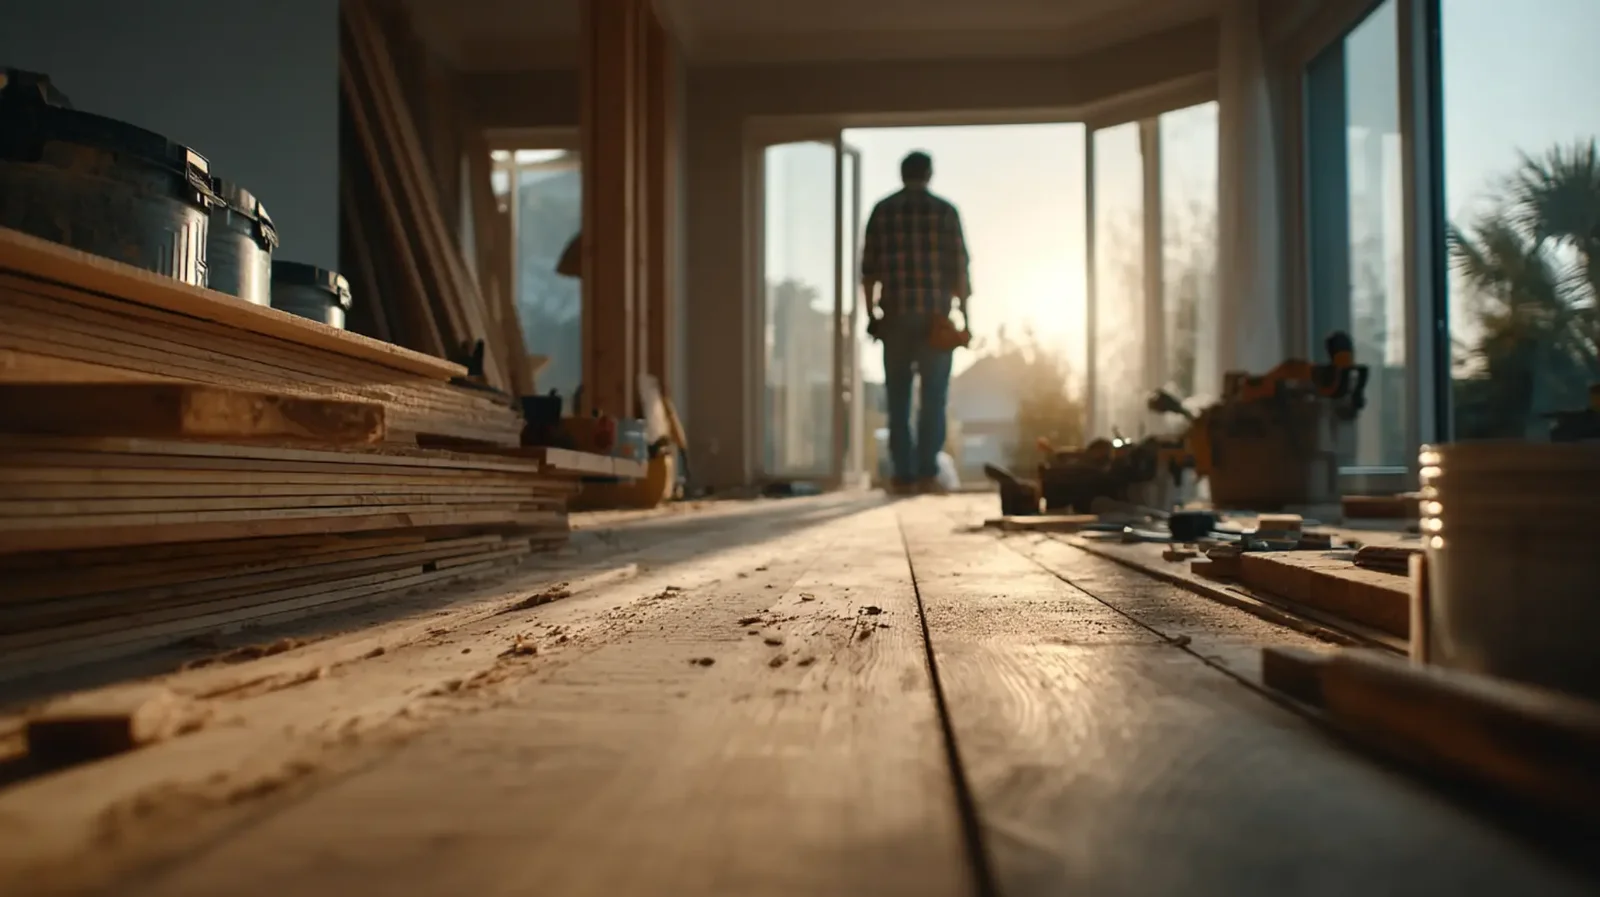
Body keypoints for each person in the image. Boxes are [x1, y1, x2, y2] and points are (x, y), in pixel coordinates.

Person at [861, 150, 972, 495]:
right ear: (929, 174)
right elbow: (960, 270)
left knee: (897, 397)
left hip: (894, 317)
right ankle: (927, 472)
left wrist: (871, 316)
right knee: (934, 397)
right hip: (936, 320)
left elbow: (868, 271)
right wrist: (966, 318)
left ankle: (903, 475)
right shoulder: (945, 212)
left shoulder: (883, 211)